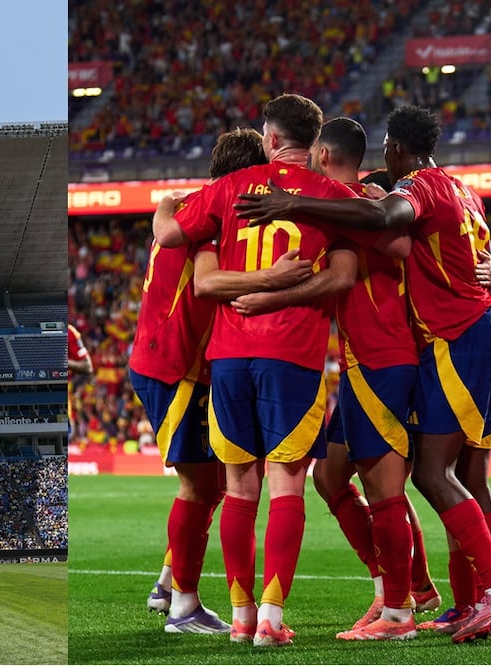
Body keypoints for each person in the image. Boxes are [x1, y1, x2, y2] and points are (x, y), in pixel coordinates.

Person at [235, 104, 491, 643]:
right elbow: (466, 249)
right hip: (424, 344)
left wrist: (287, 224)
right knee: (334, 474)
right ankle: (430, 593)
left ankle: (421, 604)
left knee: (417, 478)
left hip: (403, 351)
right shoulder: (429, 190)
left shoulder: (381, 201)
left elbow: (389, 233)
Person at [154, 93, 361, 647]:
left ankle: (240, 617)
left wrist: (169, 202)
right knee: (286, 484)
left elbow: (171, 235)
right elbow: (345, 273)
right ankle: (270, 618)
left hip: (227, 356)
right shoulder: (333, 194)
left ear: (269, 138)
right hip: (292, 354)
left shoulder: (227, 189)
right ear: (314, 145)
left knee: (238, 488)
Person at [138, 128, 311, 634]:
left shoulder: (191, 207)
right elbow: (206, 283)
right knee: (201, 485)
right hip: (177, 365)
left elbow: (166, 223)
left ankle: (170, 582)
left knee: (215, 484)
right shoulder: (216, 219)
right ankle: (182, 605)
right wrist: (272, 281)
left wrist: (164, 203)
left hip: (172, 359)